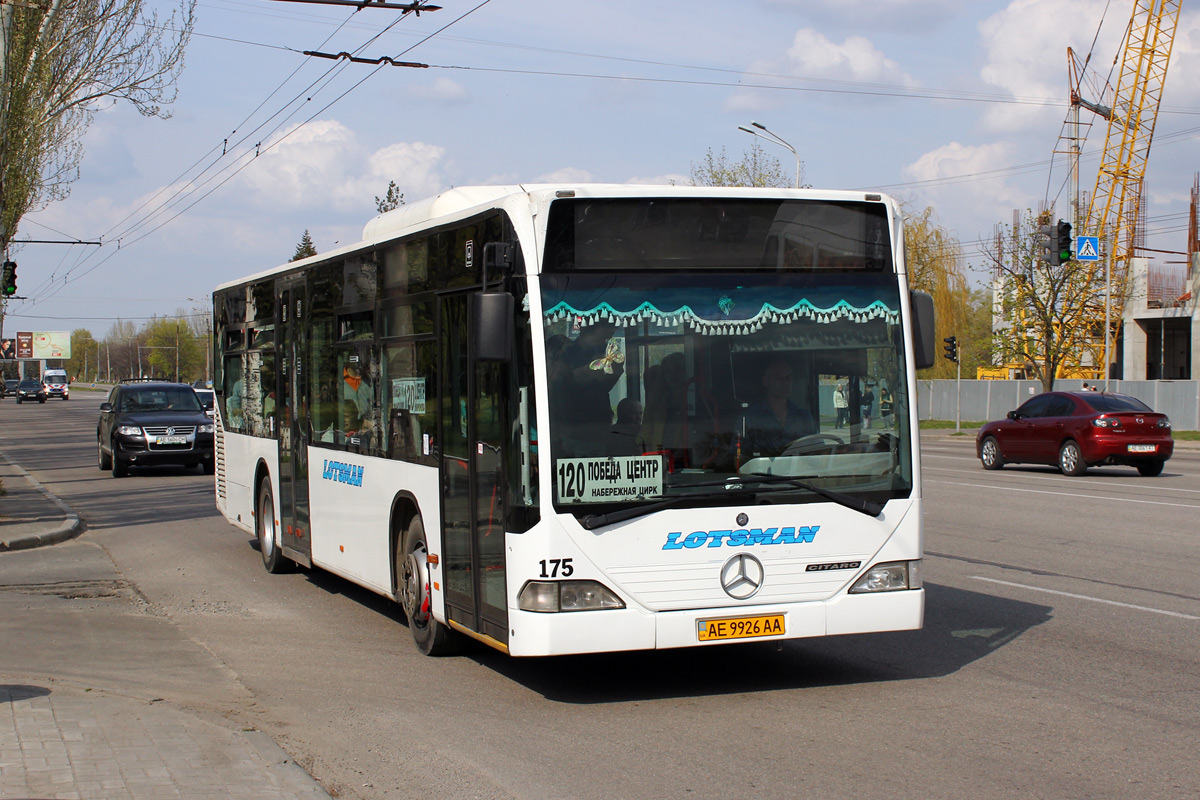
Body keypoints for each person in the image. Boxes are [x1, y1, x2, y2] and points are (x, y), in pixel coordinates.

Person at [737, 358, 816, 458]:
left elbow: (818, 453)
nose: (785, 382)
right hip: (761, 472)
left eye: (788, 378)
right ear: (765, 381)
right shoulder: (749, 419)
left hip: (799, 472)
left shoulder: (805, 417)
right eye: (779, 378)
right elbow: (738, 459)